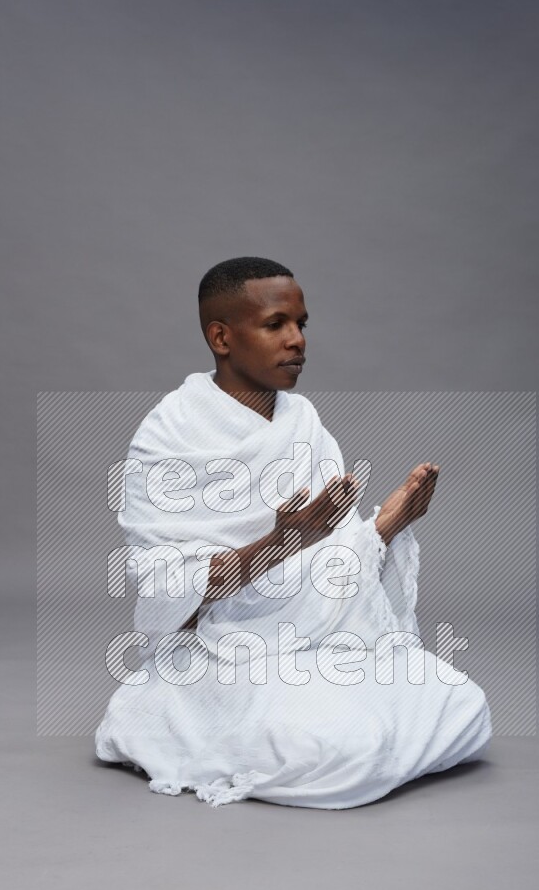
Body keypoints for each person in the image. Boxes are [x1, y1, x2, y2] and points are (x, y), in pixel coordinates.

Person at [95, 256, 492, 807]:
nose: (297, 340)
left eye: (301, 324)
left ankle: (339, 718)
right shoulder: (169, 434)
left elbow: (332, 559)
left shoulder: (303, 421)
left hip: (317, 636)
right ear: (221, 337)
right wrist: (278, 545)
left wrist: (388, 523)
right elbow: (166, 588)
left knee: (462, 705)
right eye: (275, 324)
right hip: (223, 649)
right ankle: (181, 714)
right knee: (343, 748)